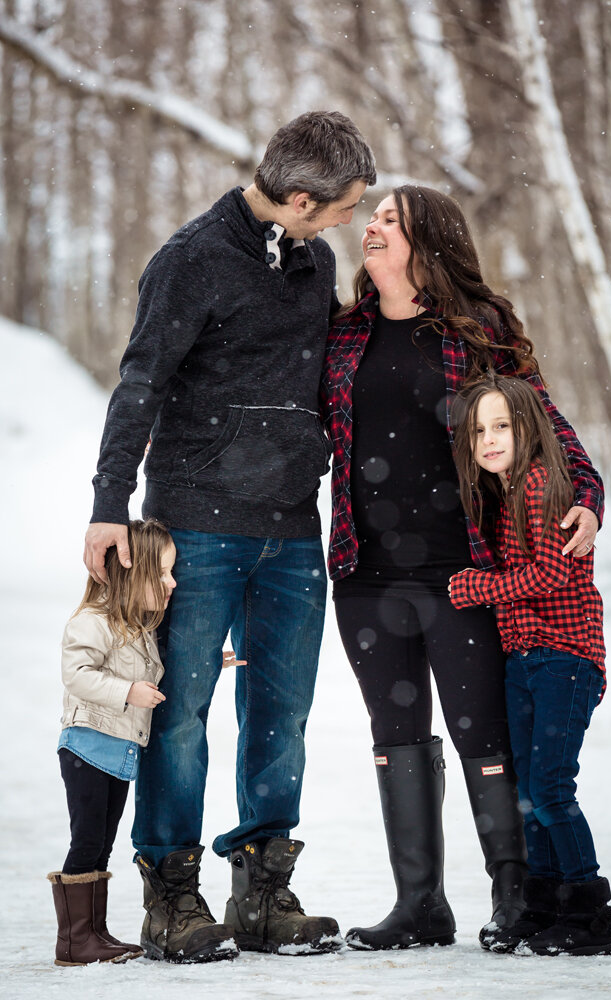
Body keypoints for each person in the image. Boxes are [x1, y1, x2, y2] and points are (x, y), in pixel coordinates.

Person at [83, 111, 376, 960]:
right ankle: (172, 891)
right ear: (295, 197)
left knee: (280, 714)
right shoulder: (188, 262)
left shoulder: (312, 259)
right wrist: (110, 503)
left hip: (290, 528)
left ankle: (262, 885)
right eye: (340, 208)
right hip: (197, 526)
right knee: (179, 715)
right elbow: (140, 382)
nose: (347, 224)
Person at [320, 185, 604, 951]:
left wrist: (589, 495)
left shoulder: (480, 331)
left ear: (425, 244)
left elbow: (542, 419)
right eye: (370, 218)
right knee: (395, 733)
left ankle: (515, 897)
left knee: (484, 737)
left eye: (387, 221)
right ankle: (420, 904)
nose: (370, 228)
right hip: (364, 572)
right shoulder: (342, 334)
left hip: (465, 568)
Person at [448, 374, 611, 957]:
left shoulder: (544, 485)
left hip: (563, 657)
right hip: (526, 657)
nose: (490, 439)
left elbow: (548, 576)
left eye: (502, 426)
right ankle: (544, 904)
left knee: (549, 788)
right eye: (478, 430)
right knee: (530, 788)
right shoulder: (508, 493)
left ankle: (591, 913)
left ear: (531, 429)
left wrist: (476, 587)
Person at [49, 519, 178, 965]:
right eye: (161, 573)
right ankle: (73, 942)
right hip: (87, 747)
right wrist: (126, 693)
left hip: (118, 749)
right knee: (86, 841)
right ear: (129, 572)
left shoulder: (137, 626)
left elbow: (147, 671)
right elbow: (77, 675)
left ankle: (93, 934)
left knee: (102, 843)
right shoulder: (94, 621)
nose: (171, 582)